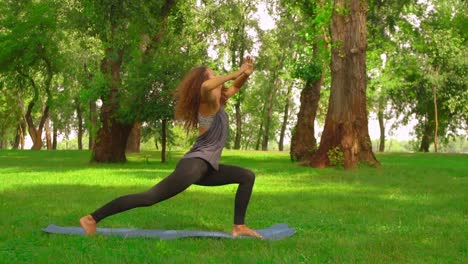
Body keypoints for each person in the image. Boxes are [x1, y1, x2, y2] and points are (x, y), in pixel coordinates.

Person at [80, 56, 262, 238]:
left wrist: (245, 74)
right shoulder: (207, 102)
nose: (217, 82)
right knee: (149, 197)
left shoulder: (219, 102)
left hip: (207, 168)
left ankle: (239, 226)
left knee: (247, 176)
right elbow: (207, 87)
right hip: (194, 165)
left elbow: (235, 87)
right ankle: (92, 218)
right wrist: (235, 72)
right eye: (212, 77)